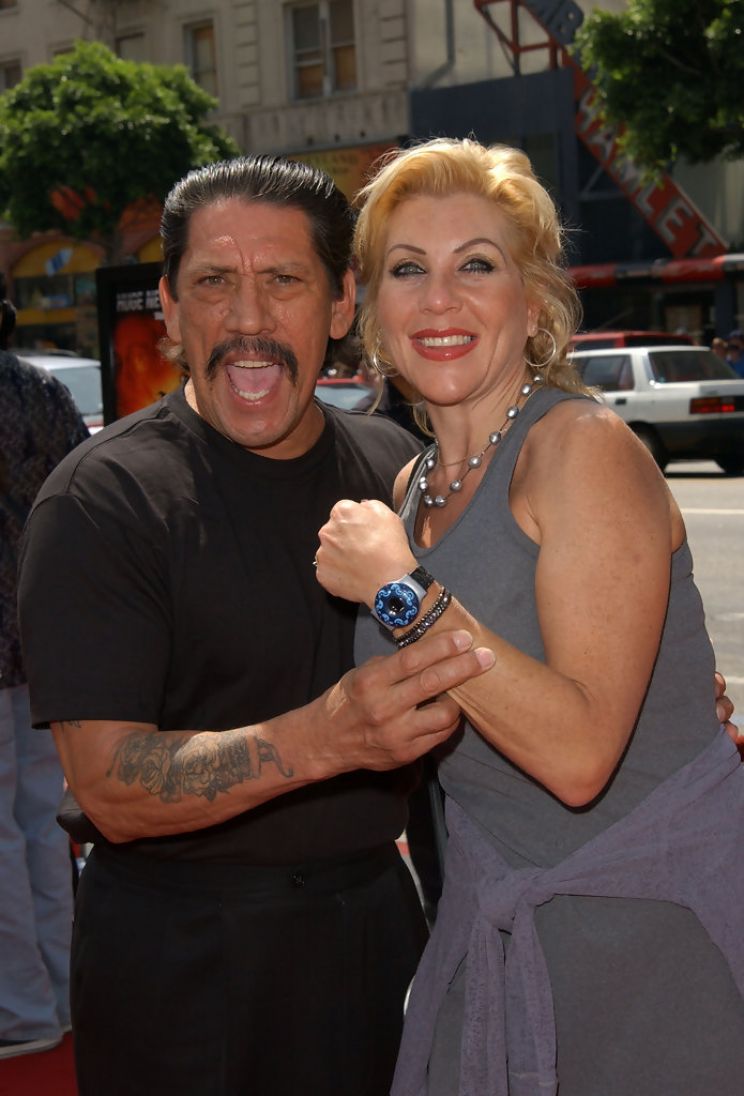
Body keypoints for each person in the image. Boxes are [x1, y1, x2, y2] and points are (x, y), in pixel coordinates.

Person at [16, 156, 495, 1096]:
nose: (247, 319)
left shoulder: (399, 471)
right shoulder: (102, 501)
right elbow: (108, 786)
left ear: (341, 303)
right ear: (168, 306)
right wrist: (326, 738)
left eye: (283, 280)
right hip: (179, 961)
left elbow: (485, 664)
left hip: (378, 931)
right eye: (212, 283)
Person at [314, 138, 744, 1096]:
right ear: (373, 311)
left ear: (536, 300)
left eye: (476, 265)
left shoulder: (582, 447)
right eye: (407, 270)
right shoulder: (411, 487)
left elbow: (579, 756)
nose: (439, 300)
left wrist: (400, 588)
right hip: (494, 930)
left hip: (649, 942)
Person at [0, 293, 88, 1059]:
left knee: (7, 833)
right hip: (38, 633)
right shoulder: (45, 391)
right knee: (39, 827)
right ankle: (60, 994)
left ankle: (21, 1009)